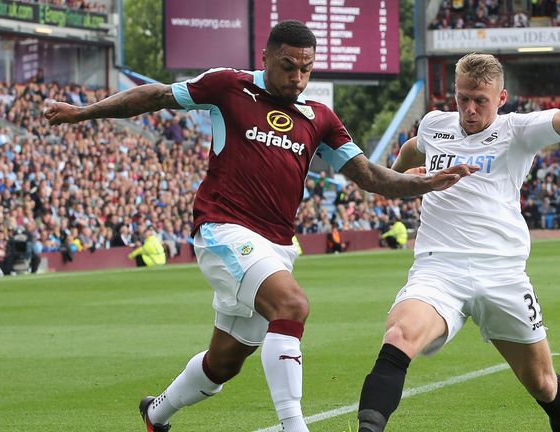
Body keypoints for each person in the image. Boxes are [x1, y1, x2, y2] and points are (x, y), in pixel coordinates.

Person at [44, 20, 476, 432]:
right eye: (288, 67)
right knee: (292, 306)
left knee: (224, 363)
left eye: (306, 69)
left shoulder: (320, 117)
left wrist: (425, 183)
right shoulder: (229, 87)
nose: (298, 78)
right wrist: (82, 113)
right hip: (223, 229)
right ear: (265, 56)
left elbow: (372, 177)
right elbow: (155, 96)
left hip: (275, 245)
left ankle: (156, 413)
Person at [356, 53, 560, 432]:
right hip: (438, 268)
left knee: (542, 382)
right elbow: (412, 148)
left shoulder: (518, 130)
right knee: (398, 336)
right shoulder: (434, 125)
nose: (470, 110)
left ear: (501, 98)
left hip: (501, 272)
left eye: (480, 101)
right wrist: (395, 178)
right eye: (462, 99)